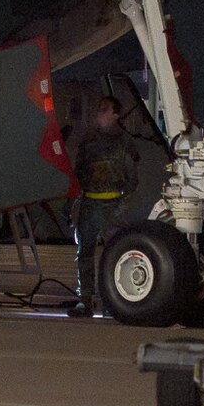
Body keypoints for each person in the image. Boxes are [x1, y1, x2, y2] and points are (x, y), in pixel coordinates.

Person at [64, 96, 139, 317]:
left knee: (114, 255)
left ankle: (112, 301)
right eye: (99, 109)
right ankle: (85, 300)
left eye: (104, 110)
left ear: (116, 115)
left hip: (112, 205)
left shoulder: (125, 142)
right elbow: (77, 173)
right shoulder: (88, 140)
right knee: (84, 253)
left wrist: (122, 207)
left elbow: (133, 180)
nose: (99, 113)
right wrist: (72, 203)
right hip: (90, 203)